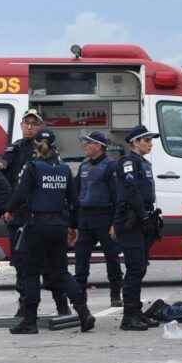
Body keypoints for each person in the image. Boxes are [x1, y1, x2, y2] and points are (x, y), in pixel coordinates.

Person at [3, 129, 95, 334]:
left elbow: (20, 193)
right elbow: (74, 201)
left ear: (36, 146)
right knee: (60, 272)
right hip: (59, 227)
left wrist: (9, 210)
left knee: (30, 273)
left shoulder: (33, 167)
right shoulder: (64, 169)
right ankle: (84, 313)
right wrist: (73, 227)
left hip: (37, 226)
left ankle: (29, 322)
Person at [0, 109, 70, 318]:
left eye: (34, 123)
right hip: (19, 216)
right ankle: (25, 307)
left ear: (41, 126)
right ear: (21, 125)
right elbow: (2, 177)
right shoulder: (14, 150)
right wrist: (8, 208)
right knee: (22, 264)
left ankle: (62, 305)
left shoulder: (49, 152)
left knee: (52, 264)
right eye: (26, 123)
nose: (30, 126)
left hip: (42, 216)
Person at [114, 125, 163, 331]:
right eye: (147, 140)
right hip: (131, 220)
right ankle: (129, 317)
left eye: (151, 140)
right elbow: (131, 189)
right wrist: (142, 215)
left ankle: (136, 312)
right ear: (135, 142)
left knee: (140, 267)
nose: (150, 144)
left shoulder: (143, 162)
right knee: (135, 268)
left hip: (143, 218)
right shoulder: (128, 162)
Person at [74, 131, 123, 307]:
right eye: (85, 143)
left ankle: (116, 294)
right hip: (85, 218)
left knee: (112, 258)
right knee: (81, 259)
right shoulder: (84, 166)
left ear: (99, 146)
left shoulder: (111, 166)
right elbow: (76, 193)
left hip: (105, 217)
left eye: (89, 143)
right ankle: (79, 297)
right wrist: (74, 224)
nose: (85, 146)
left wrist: (115, 224)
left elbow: (118, 197)